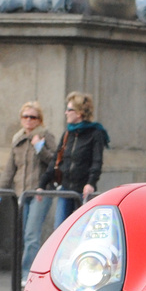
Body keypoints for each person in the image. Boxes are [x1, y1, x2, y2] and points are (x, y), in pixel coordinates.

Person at [0, 101, 55, 277]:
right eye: (25, 117)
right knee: (21, 234)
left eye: (33, 117)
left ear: (39, 120)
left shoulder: (45, 136)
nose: (29, 120)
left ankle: (28, 273)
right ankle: (23, 271)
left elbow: (54, 162)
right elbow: (9, 169)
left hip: (40, 192)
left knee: (32, 235)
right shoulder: (18, 139)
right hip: (21, 192)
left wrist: (39, 148)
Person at [42, 92, 108, 224]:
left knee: (81, 228)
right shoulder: (68, 134)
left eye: (69, 109)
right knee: (60, 228)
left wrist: (91, 183)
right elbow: (56, 159)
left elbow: (97, 161)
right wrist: (42, 184)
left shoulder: (95, 133)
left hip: (83, 190)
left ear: (79, 113)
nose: (66, 113)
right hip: (65, 188)